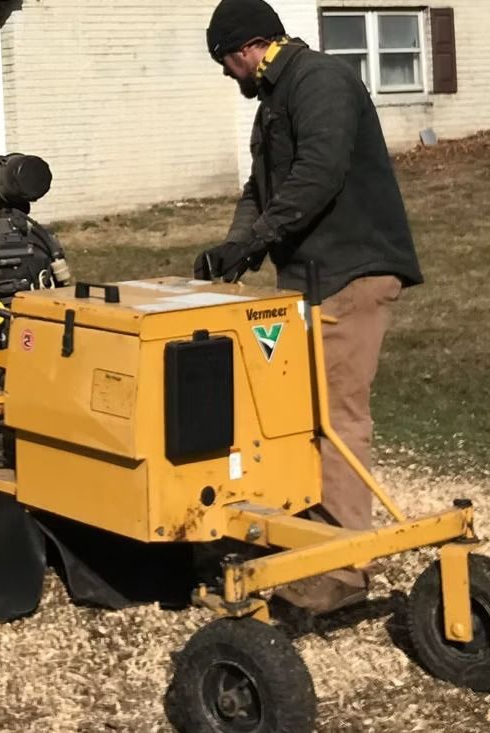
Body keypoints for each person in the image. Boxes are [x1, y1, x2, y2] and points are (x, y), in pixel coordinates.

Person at [198, 0, 424, 614]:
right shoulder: (276, 96)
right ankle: (307, 539)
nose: (225, 74)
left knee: (338, 420)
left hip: (351, 273)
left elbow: (319, 174)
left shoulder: (320, 80)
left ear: (246, 48)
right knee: (300, 414)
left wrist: (259, 237)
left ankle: (343, 573)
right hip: (312, 278)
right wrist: (235, 247)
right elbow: (261, 187)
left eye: (223, 60)